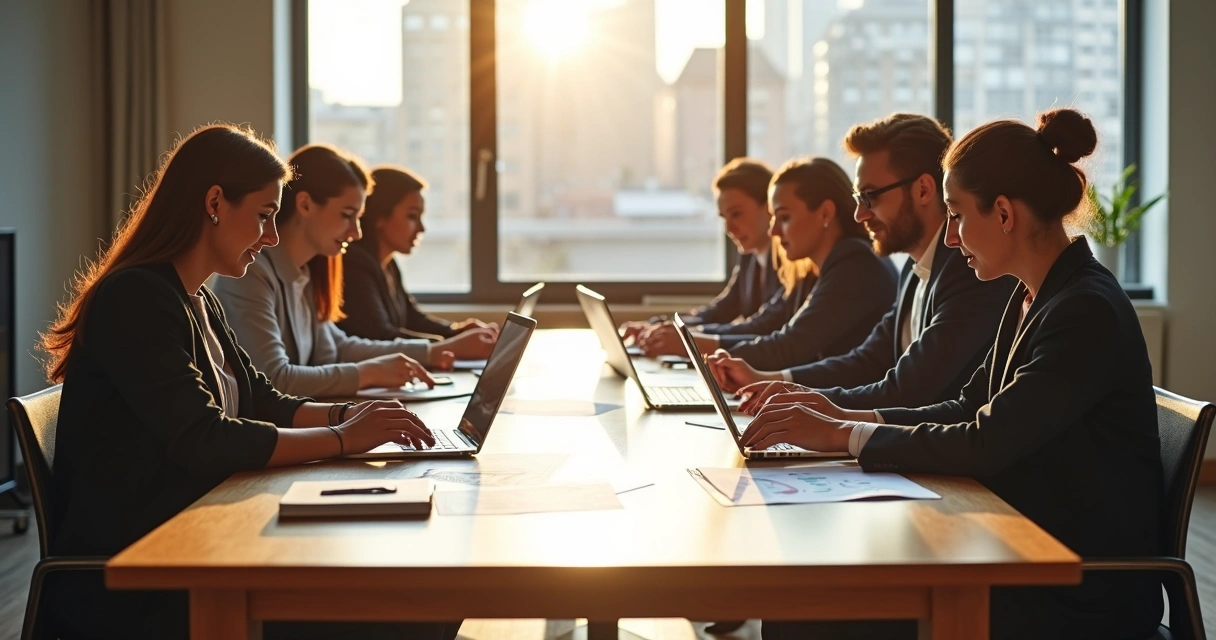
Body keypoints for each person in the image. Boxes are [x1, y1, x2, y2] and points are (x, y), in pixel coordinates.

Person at [748, 109, 1162, 640]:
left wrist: (845, 435)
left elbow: (987, 440)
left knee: (801, 616)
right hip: (1018, 542)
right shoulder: (1034, 293)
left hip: (1071, 585)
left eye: (957, 215)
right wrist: (839, 416)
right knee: (802, 601)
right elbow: (966, 406)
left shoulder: (1084, 309)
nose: (949, 238)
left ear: (1005, 214)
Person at [41, 124, 459, 640]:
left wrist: (345, 416)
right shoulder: (137, 298)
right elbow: (205, 436)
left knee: (421, 597)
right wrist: (343, 439)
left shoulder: (198, 297)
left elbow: (262, 398)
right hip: (146, 574)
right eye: (264, 216)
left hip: (199, 535)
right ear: (215, 202)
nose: (272, 236)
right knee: (415, 610)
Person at [707, 113, 1016, 413]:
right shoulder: (915, 268)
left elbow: (907, 389)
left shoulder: (969, 272)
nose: (859, 214)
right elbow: (867, 360)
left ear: (923, 189)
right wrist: (776, 384)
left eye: (871, 197)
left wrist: (807, 405)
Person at [213, 144, 496, 398]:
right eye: (347, 215)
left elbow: (337, 348)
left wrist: (433, 352)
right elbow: (273, 378)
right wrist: (369, 373)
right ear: (305, 204)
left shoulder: (307, 272)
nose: (357, 233)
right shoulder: (250, 272)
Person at [641, 157, 898, 373]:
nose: (773, 231)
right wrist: (686, 339)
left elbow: (787, 346)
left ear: (825, 214)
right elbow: (772, 331)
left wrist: (691, 343)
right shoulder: (809, 268)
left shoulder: (855, 263)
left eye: (783, 218)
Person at [620, 158, 783, 343]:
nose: (729, 228)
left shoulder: (791, 262)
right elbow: (721, 311)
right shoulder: (751, 256)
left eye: (736, 214)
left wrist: (687, 336)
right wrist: (659, 327)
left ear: (770, 207)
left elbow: (763, 326)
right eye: (724, 218)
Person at [339, 165, 499, 342]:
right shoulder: (355, 266)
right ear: (380, 218)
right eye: (412, 216)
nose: (422, 228)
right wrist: (453, 345)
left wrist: (456, 331)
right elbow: (379, 337)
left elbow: (412, 318)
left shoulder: (388, 264)